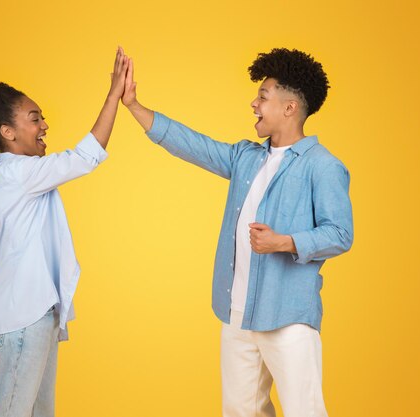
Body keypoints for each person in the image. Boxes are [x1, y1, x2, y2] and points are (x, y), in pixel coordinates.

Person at [121, 48, 353, 417]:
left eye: (263, 97)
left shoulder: (323, 166)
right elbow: (193, 145)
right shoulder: (247, 157)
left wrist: (284, 241)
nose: (253, 103)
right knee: (240, 412)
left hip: (287, 316)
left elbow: (340, 233)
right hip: (237, 315)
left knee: (304, 411)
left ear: (289, 108)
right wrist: (134, 106)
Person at [0, 47, 129, 417]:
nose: (44, 126)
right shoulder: (18, 174)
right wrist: (113, 97)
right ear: (7, 132)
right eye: (34, 118)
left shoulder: (8, 181)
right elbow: (85, 157)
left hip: (28, 318)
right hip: (23, 321)